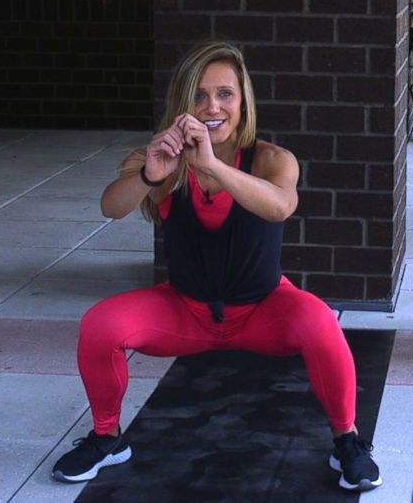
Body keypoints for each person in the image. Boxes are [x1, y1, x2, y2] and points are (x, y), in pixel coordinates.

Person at [51, 41, 382, 492]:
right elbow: (110, 206)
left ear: (243, 101)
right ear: (181, 104)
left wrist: (211, 165)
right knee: (100, 325)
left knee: (321, 322)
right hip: (184, 309)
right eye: (199, 96)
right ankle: (107, 439)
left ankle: (348, 442)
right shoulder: (160, 160)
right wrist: (151, 175)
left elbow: (281, 206)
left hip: (263, 308)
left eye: (225, 94)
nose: (213, 107)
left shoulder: (271, 159)